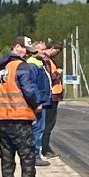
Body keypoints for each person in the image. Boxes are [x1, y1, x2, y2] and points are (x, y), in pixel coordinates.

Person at [0, 36, 48, 177]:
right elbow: (29, 90)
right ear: (16, 47)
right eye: (25, 50)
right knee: (27, 157)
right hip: (20, 119)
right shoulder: (21, 66)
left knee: (7, 158)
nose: (26, 54)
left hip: (2, 119)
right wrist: (37, 103)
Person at [22, 38, 54, 166]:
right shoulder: (32, 65)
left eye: (45, 49)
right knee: (38, 129)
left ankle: (36, 154)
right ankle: (34, 156)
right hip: (38, 103)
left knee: (39, 129)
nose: (45, 52)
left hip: (43, 102)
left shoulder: (39, 63)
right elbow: (32, 86)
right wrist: (37, 102)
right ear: (35, 51)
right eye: (42, 49)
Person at [39, 40, 64, 157]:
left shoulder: (49, 61)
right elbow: (49, 78)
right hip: (51, 96)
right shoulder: (46, 61)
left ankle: (45, 147)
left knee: (49, 123)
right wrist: (58, 73)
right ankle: (45, 148)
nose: (56, 53)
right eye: (56, 51)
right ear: (51, 48)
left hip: (54, 96)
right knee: (48, 124)